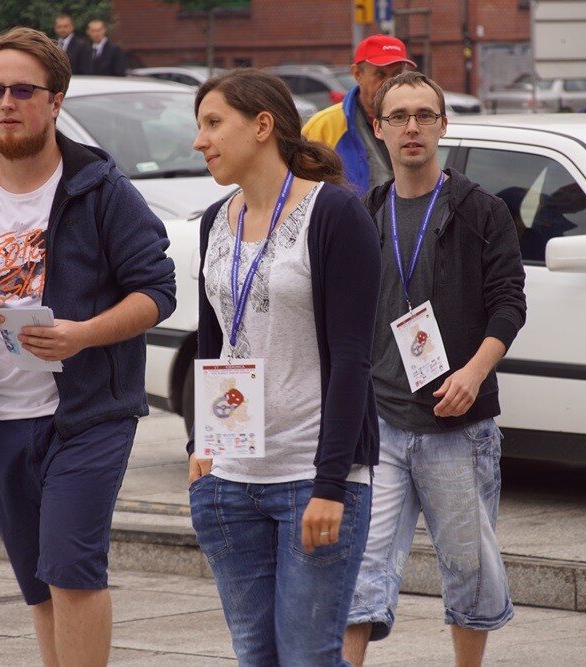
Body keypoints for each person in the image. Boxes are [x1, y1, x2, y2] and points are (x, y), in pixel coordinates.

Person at [0, 26, 176, 666]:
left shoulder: (98, 188)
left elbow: (157, 291)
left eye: (22, 90)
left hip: (86, 417)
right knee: (37, 581)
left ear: (55, 101)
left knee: (72, 567)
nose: (6, 103)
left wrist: (82, 335)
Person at [188, 68, 381, 665]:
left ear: (263, 126)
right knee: (255, 655)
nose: (201, 141)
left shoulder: (335, 214)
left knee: (308, 657)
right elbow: (212, 339)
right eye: (200, 127)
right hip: (229, 482)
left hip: (310, 477)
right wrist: (201, 443)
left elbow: (353, 358)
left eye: (214, 123)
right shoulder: (216, 221)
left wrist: (331, 484)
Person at [343, 71, 526, 667]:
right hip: (381, 426)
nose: (412, 127)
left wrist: (473, 372)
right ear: (379, 128)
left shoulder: (483, 211)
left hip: (459, 427)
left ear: (444, 126)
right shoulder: (363, 212)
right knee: (360, 576)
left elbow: (509, 303)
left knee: (469, 575)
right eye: (398, 117)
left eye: (425, 115)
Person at [301, 34, 415, 195]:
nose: (390, 83)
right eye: (380, 74)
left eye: (397, 74)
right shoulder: (324, 125)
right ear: (357, 74)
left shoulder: (417, 123)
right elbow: (302, 190)